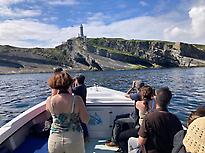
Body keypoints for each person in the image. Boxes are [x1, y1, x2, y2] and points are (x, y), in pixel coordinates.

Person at [128, 87, 183, 153]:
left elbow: (141, 142)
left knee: (130, 141)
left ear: (155, 99)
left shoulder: (149, 117)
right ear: (168, 102)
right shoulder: (175, 119)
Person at [46, 71, 89, 153]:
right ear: (70, 83)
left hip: (54, 140)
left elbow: (48, 113)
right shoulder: (77, 100)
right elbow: (85, 120)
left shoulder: (49, 100)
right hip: (74, 140)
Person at [105, 80, 144, 147]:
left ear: (136, 87)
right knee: (118, 117)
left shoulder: (138, 95)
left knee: (117, 121)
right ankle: (114, 138)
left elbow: (126, 95)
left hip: (135, 118)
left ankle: (115, 141)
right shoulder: (142, 94)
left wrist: (132, 88)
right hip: (133, 115)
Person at [118, 85, 155, 153]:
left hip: (142, 129)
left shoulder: (139, 103)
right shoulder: (154, 103)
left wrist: (133, 88)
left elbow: (128, 95)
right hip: (152, 129)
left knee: (121, 137)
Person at [72, 74, 88, 141]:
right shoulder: (83, 86)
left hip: (79, 107)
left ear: (77, 80)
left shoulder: (78, 88)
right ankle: (86, 136)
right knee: (83, 122)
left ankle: (83, 137)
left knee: (81, 123)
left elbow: (70, 90)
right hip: (83, 105)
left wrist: (71, 83)